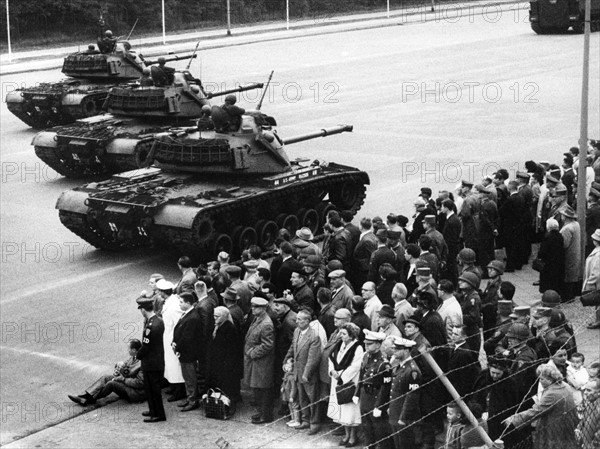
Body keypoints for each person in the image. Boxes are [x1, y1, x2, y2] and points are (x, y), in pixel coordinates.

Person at [502, 364, 579, 449]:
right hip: (566, 426)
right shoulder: (564, 385)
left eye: (541, 379)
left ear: (550, 379)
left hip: (555, 429)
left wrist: (514, 419)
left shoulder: (552, 394)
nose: (539, 381)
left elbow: (535, 411)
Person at [68, 339, 145, 406]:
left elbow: (140, 383)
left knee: (111, 384)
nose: (127, 350)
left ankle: (89, 399)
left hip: (135, 393)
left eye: (129, 348)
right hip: (128, 384)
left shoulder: (143, 363)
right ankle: (85, 395)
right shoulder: (134, 357)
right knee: (106, 377)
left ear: (134, 350)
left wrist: (122, 379)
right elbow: (126, 369)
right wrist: (119, 367)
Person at [284, 309, 322, 434]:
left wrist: (306, 374)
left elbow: (313, 359)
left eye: (300, 319)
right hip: (297, 373)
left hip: (308, 375)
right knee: (302, 398)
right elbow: (292, 348)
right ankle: (305, 420)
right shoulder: (297, 331)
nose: (297, 321)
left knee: (313, 399)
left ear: (307, 321)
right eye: (297, 319)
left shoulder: (314, 336)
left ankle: (314, 423)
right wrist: (287, 360)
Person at [327, 322, 364, 447]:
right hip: (336, 379)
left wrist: (342, 376)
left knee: (350, 411)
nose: (340, 335)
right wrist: (332, 370)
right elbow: (331, 358)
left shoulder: (358, 347)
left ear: (351, 335)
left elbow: (356, 366)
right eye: (340, 333)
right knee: (342, 409)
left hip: (349, 382)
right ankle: (346, 435)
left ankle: (353, 437)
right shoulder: (340, 344)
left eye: (343, 333)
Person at [354, 330, 391, 449]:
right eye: (366, 343)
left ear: (378, 345)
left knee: (379, 429)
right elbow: (361, 375)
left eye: (369, 344)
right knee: (366, 427)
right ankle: (369, 446)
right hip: (365, 394)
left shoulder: (383, 364)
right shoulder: (366, 356)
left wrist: (379, 406)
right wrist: (357, 393)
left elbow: (385, 387)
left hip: (376, 397)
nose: (366, 346)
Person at [386, 336, 422, 449]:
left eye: (397, 349)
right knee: (398, 444)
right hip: (395, 411)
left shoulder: (412, 370)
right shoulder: (400, 365)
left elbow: (412, 396)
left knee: (405, 444)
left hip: (404, 415)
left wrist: (403, 417)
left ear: (406, 351)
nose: (394, 351)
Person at [244, 297, 276, 424]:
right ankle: (261, 412)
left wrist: (253, 352)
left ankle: (266, 415)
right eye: (252, 306)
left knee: (263, 390)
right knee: (258, 389)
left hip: (262, 363)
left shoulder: (266, 324)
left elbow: (268, 345)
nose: (253, 309)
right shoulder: (258, 319)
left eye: (256, 307)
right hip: (257, 363)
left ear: (263, 309)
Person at [135, 296, 166, 423]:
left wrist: (137, 355)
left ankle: (158, 414)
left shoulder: (150, 326)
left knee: (153, 390)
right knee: (152, 389)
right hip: (157, 360)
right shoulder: (158, 320)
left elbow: (146, 346)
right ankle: (153, 410)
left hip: (151, 363)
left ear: (143, 310)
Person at [171, 292, 202, 411]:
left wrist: (177, 346)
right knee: (187, 376)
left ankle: (193, 400)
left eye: (181, 302)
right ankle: (190, 397)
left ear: (188, 303)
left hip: (188, 353)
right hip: (184, 352)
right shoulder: (188, 314)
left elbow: (187, 337)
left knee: (190, 377)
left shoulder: (193, 317)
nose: (179, 304)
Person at [207, 306, 242, 405]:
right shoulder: (218, 325)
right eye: (214, 316)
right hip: (218, 361)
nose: (215, 318)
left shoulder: (229, 328)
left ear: (224, 316)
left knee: (226, 384)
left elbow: (231, 349)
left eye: (217, 316)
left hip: (225, 363)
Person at [537, 218, 566, 295]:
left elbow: (542, 252)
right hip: (558, 263)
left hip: (548, 264)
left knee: (548, 283)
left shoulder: (548, 237)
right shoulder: (560, 236)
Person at [560, 206, 582, 300]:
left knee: (568, 275)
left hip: (569, 254)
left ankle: (568, 297)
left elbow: (564, 244)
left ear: (565, 217)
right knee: (573, 274)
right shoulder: (576, 224)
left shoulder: (567, 229)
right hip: (575, 252)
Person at [575, 379, 600, 449]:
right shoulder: (590, 403)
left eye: (589, 390)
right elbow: (583, 419)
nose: (585, 393)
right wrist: (578, 429)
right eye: (585, 390)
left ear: (598, 392)